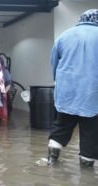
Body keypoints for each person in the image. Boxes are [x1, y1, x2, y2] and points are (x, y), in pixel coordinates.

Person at [46, 9, 98, 167]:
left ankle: (51, 161)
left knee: (61, 125)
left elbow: (54, 64)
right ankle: (86, 170)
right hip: (93, 93)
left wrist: (60, 82)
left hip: (66, 92)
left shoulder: (64, 35)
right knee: (91, 132)